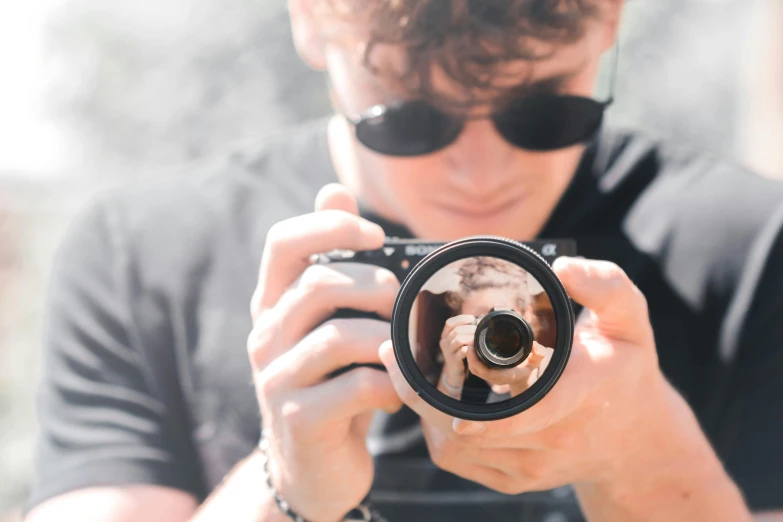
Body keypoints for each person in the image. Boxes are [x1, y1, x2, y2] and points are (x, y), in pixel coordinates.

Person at [23, 1, 783, 521]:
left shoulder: (750, 246)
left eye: (544, 110)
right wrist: (283, 487)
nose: (480, 173)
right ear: (310, 19)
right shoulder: (141, 256)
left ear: (610, 17)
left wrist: (644, 460)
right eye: (410, 120)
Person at [436, 256, 554, 400]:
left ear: (526, 316)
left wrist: (522, 381)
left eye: (502, 318)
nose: (493, 331)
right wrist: (453, 374)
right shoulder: (456, 366)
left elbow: (546, 421)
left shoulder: (551, 365)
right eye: (480, 319)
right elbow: (435, 423)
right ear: (460, 322)